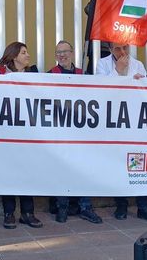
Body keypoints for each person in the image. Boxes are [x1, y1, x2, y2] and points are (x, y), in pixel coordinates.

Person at [95, 43, 147, 222]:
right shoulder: (103, 64)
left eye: (125, 48)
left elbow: (146, 91)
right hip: (115, 121)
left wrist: (140, 82)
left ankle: (143, 206)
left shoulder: (138, 64)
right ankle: (121, 204)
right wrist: (118, 71)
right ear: (110, 49)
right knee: (119, 163)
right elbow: (102, 89)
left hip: (136, 121)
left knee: (139, 162)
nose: (123, 52)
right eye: (117, 49)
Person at [47, 41, 102, 224]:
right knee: (61, 169)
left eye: (65, 51)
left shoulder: (83, 75)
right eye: (58, 52)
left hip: (81, 133)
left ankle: (85, 207)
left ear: (72, 53)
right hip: (60, 132)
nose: (62, 55)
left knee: (83, 169)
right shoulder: (49, 76)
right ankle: (62, 207)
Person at [0, 42, 42, 229]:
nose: (28, 56)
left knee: (27, 172)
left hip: (28, 132)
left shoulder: (33, 74)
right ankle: (9, 213)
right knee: (9, 173)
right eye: (24, 52)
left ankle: (28, 213)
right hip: (7, 132)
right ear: (14, 56)